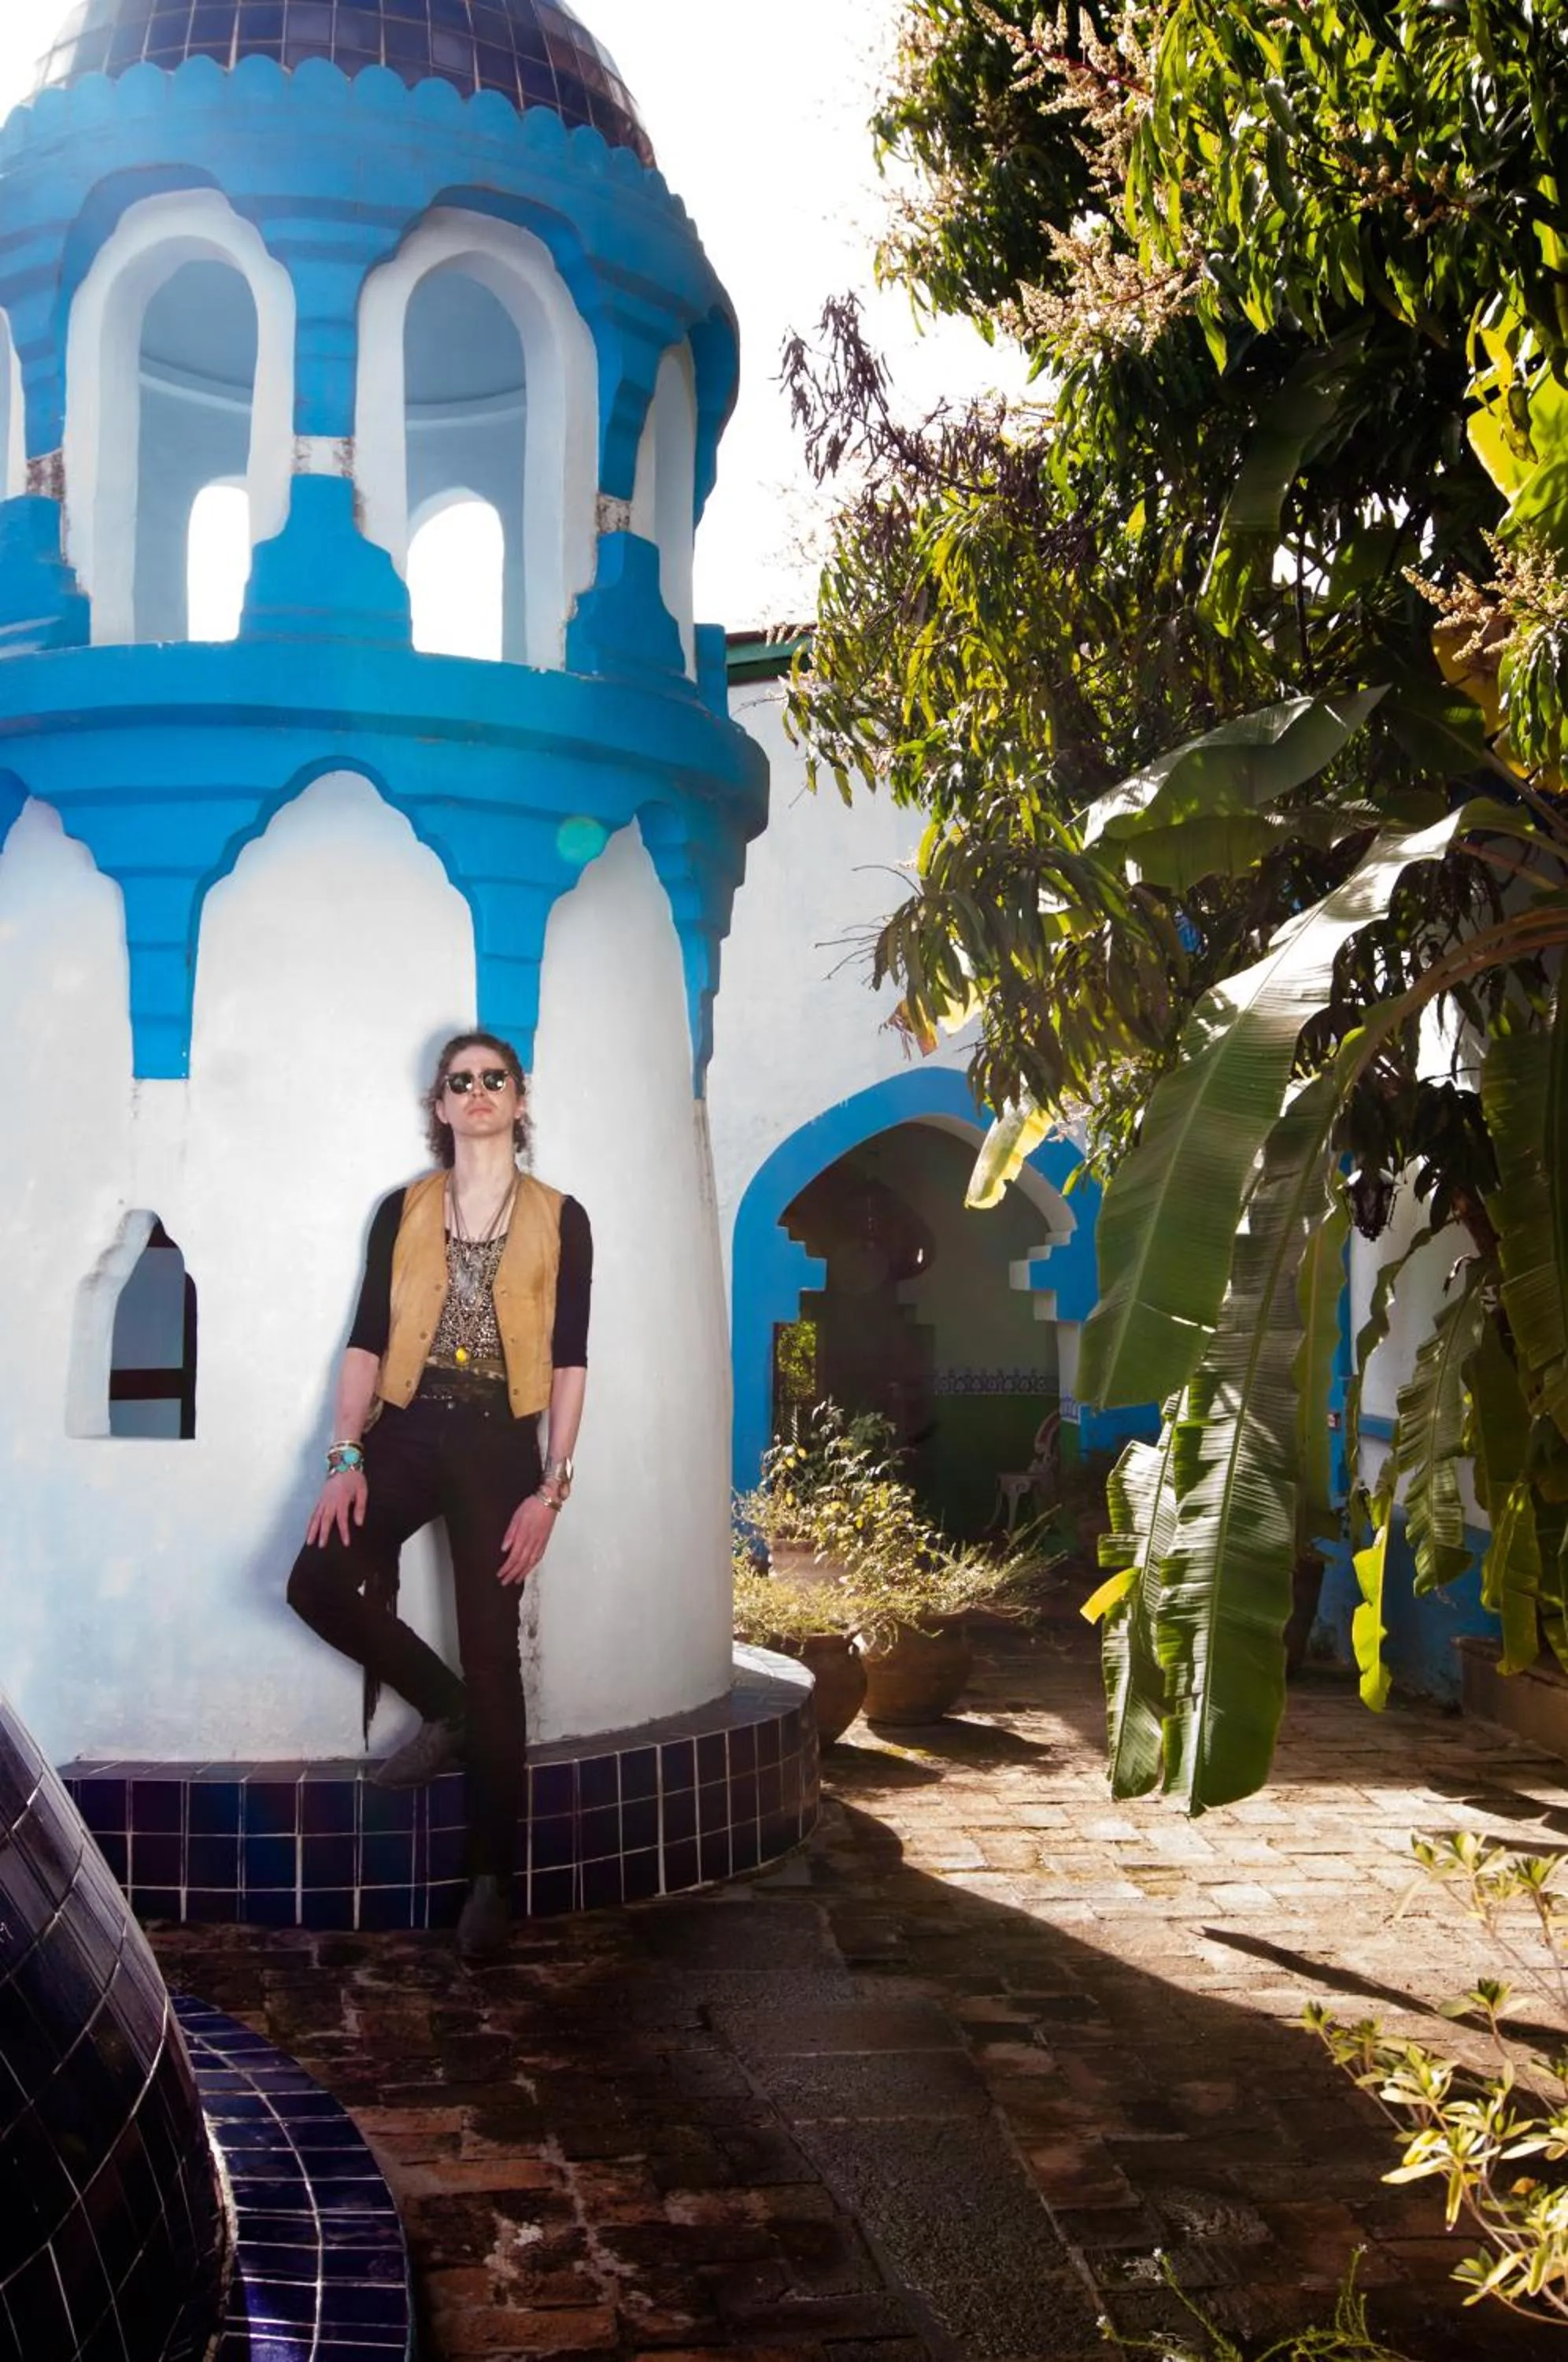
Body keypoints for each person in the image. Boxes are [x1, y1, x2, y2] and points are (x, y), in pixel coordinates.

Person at [287, 1031, 590, 1961]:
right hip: (409, 1431)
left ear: (519, 1100)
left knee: (495, 1652)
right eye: (461, 1081)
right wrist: (346, 1456)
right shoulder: (405, 1209)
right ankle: (447, 1709)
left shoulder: (562, 1217)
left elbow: (571, 1360)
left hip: (502, 1446)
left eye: (496, 1079)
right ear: (441, 1104)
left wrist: (551, 1489)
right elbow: (366, 1339)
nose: (479, 1091)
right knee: (315, 1583)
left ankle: (492, 1879)